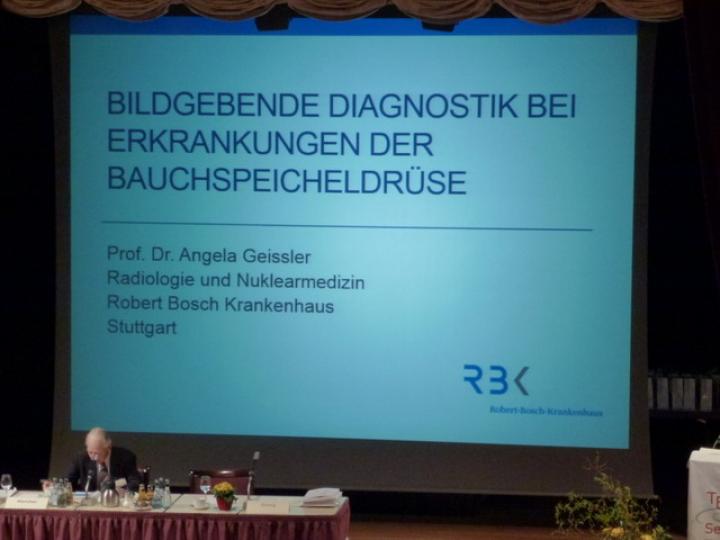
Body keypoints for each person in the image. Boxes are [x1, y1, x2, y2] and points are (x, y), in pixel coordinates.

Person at [67, 427, 141, 492]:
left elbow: (135, 482)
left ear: (108, 447)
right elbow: (69, 482)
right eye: (90, 452)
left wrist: (125, 492)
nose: (94, 458)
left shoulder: (126, 457)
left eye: (97, 453)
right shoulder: (81, 459)